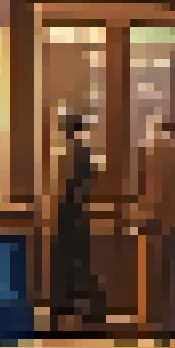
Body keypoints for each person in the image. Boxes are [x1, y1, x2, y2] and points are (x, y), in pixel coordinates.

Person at [130, 117, 175, 343]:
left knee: (151, 277)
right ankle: (170, 325)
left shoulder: (146, 154)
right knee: (172, 277)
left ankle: (150, 325)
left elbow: (138, 191)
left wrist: (137, 218)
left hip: (151, 225)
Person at [47, 113, 107, 333]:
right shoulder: (84, 153)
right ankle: (85, 310)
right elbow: (88, 186)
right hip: (79, 218)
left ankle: (65, 309)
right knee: (80, 263)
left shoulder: (65, 154)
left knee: (65, 265)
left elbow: (61, 189)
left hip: (65, 217)